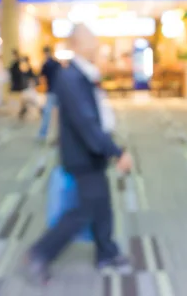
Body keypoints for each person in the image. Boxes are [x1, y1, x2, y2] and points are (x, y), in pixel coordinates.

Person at [23, 24, 133, 285]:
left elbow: (95, 117)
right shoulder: (70, 78)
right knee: (82, 211)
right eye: (90, 41)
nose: (96, 45)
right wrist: (115, 152)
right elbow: (86, 123)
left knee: (102, 204)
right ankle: (40, 253)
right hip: (82, 155)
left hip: (90, 153)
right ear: (76, 45)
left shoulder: (82, 75)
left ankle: (107, 252)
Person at [37, 46, 61, 142]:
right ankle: (60, 136)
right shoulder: (56, 63)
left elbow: (41, 78)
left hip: (51, 91)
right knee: (60, 115)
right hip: (58, 91)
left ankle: (42, 134)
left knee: (47, 114)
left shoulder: (46, 64)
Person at [9, 51, 37, 120]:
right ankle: (23, 111)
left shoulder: (27, 68)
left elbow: (31, 77)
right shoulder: (24, 67)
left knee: (29, 101)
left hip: (27, 87)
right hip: (25, 87)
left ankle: (24, 111)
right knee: (26, 101)